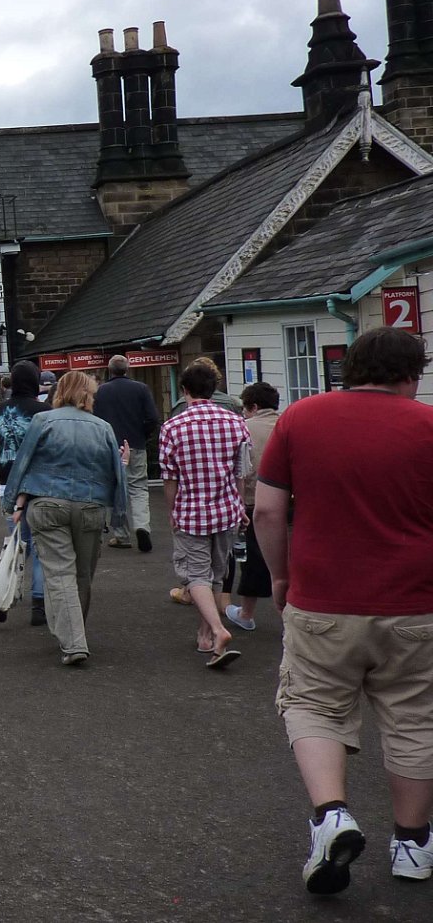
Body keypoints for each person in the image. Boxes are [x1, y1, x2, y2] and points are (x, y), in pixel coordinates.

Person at [254, 327, 433, 895]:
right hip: (416, 603)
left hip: (322, 599)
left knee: (313, 703)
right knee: (415, 717)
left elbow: (266, 510)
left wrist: (280, 574)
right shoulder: (429, 427)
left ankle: (331, 815)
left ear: (349, 367)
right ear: (411, 375)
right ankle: (412, 844)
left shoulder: (299, 420)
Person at [1, 370, 128, 665]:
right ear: (88, 394)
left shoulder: (43, 421)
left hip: (46, 503)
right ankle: (74, 634)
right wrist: (119, 518)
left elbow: (23, 462)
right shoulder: (103, 427)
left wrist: (13, 504)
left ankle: (72, 639)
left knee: (59, 574)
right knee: (83, 574)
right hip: (91, 507)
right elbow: (116, 474)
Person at [158, 359, 251, 668]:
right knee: (216, 571)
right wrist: (239, 504)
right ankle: (204, 636)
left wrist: (172, 511)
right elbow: (241, 470)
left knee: (196, 574)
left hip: (191, 510)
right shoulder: (236, 421)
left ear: (184, 390)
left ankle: (216, 629)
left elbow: (170, 478)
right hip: (226, 509)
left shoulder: (173, 426)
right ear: (214, 389)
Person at [0, 361, 51, 626]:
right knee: (40, 545)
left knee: (18, 542)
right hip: (38, 482)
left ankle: (2, 591)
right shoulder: (43, 410)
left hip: (6, 483)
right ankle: (39, 603)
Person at [222, 381, 278, 630]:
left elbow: (239, 470)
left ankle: (246, 614)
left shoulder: (244, 429)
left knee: (253, 559)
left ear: (253, 407)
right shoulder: (289, 425)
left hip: (254, 501)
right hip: (292, 503)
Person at [93, 354, 162, 551]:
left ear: (110, 369)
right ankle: (142, 526)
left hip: (110, 447)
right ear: (127, 369)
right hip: (136, 444)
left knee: (115, 489)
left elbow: (96, 421)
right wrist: (143, 434)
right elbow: (152, 417)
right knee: (138, 487)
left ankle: (121, 535)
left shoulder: (101, 392)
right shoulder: (141, 388)